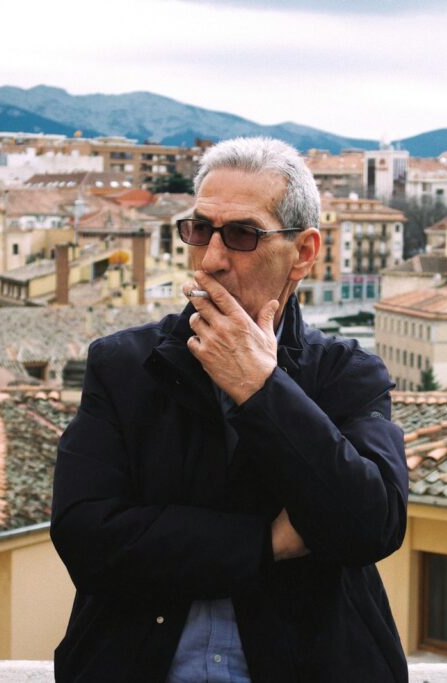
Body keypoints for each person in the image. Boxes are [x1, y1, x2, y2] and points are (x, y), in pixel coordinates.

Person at [51, 137, 408, 682]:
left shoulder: (347, 375)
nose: (212, 259)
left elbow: (368, 526)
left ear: (304, 253)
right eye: (199, 230)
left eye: (242, 234)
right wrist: (265, 544)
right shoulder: (124, 367)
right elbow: (86, 538)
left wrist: (262, 390)